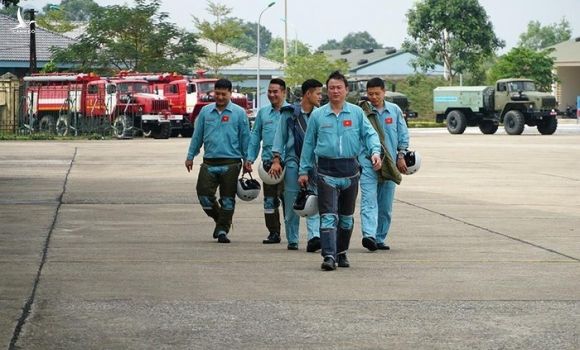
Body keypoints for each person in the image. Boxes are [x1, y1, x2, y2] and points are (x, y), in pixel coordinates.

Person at [298, 71, 382, 271]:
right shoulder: (318, 115)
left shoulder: (356, 113)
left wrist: (375, 152)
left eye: (339, 87)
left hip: (350, 171)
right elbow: (308, 144)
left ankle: (341, 252)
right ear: (327, 90)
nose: (335, 91)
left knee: (345, 218)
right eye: (332, 88)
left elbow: (370, 135)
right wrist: (303, 170)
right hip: (326, 172)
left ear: (346, 90)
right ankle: (328, 256)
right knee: (328, 216)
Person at [185, 78, 250, 244]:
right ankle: (221, 218)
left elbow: (245, 138)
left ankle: (222, 230)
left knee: (228, 199)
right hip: (209, 162)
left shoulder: (239, 113)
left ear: (230, 93)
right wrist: (190, 155)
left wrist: (247, 160)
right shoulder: (205, 112)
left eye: (223, 94)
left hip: (231, 162)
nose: (220, 97)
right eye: (217, 93)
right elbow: (197, 136)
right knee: (204, 196)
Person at [270, 79, 323, 251]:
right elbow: (280, 136)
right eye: (318, 93)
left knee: (313, 200)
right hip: (293, 162)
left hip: (314, 164)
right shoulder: (290, 113)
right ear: (308, 94)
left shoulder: (321, 114)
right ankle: (292, 239)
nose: (321, 97)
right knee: (292, 201)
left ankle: (314, 237)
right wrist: (276, 160)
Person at [359, 78, 409, 251]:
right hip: (368, 162)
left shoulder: (394, 111)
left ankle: (380, 238)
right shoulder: (362, 112)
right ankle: (369, 236)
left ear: (384, 92)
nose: (373, 97)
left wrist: (401, 155)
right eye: (370, 94)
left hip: (389, 163)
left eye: (377, 94)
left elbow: (403, 134)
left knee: (385, 204)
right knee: (369, 200)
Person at [245, 78, 289, 245]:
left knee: (288, 200)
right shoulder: (263, 113)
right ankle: (273, 232)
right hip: (268, 166)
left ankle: (291, 235)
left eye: (275, 91)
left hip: (287, 165)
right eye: (269, 92)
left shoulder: (292, 111)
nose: (272, 95)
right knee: (269, 201)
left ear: (284, 92)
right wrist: (249, 158)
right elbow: (255, 137)